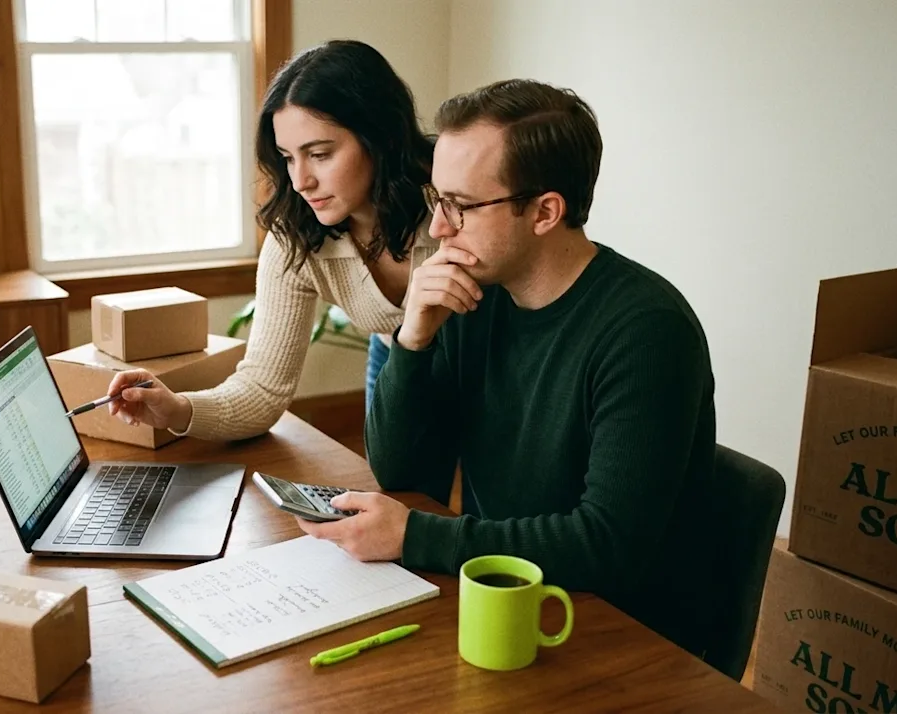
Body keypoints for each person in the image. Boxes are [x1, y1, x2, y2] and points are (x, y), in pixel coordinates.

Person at [296, 78, 718, 657]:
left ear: (545, 211)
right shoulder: (473, 297)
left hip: (611, 635)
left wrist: (415, 535)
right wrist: (413, 338)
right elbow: (402, 473)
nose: (439, 228)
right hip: (502, 600)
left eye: (461, 206)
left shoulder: (646, 331)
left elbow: (609, 547)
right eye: (436, 199)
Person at [104, 40, 436, 439]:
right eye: (288, 157)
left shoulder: (453, 201)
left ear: (379, 135)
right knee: (398, 490)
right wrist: (176, 409)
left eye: (320, 154)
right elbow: (262, 388)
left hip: (494, 365)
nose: (300, 182)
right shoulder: (296, 236)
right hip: (395, 355)